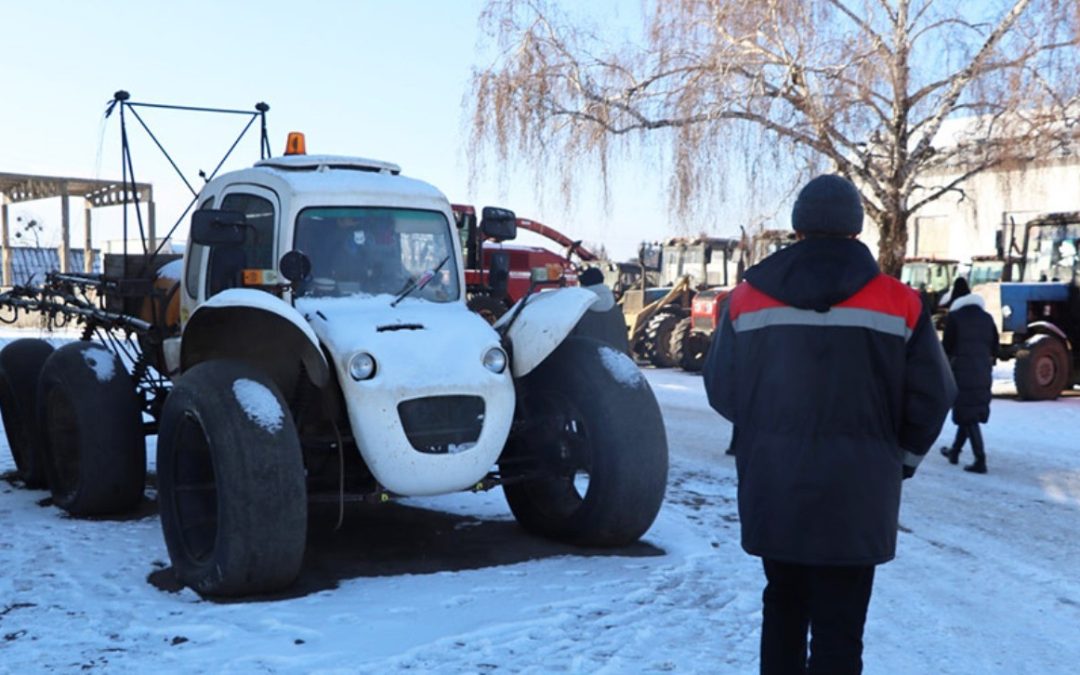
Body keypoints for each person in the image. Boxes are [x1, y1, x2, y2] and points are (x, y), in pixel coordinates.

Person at [703, 174, 956, 674]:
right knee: (841, 629)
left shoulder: (746, 300)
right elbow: (934, 394)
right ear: (856, 231)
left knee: (783, 610)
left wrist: (764, 436)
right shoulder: (901, 302)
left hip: (775, 486)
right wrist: (897, 460)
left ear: (796, 229)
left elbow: (722, 388)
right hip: (859, 494)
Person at [939, 276, 999, 473]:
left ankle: (980, 460)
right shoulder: (987, 317)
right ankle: (955, 451)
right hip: (982, 370)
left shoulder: (955, 318)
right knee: (969, 411)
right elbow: (995, 346)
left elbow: (946, 348)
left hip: (961, 371)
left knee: (968, 414)